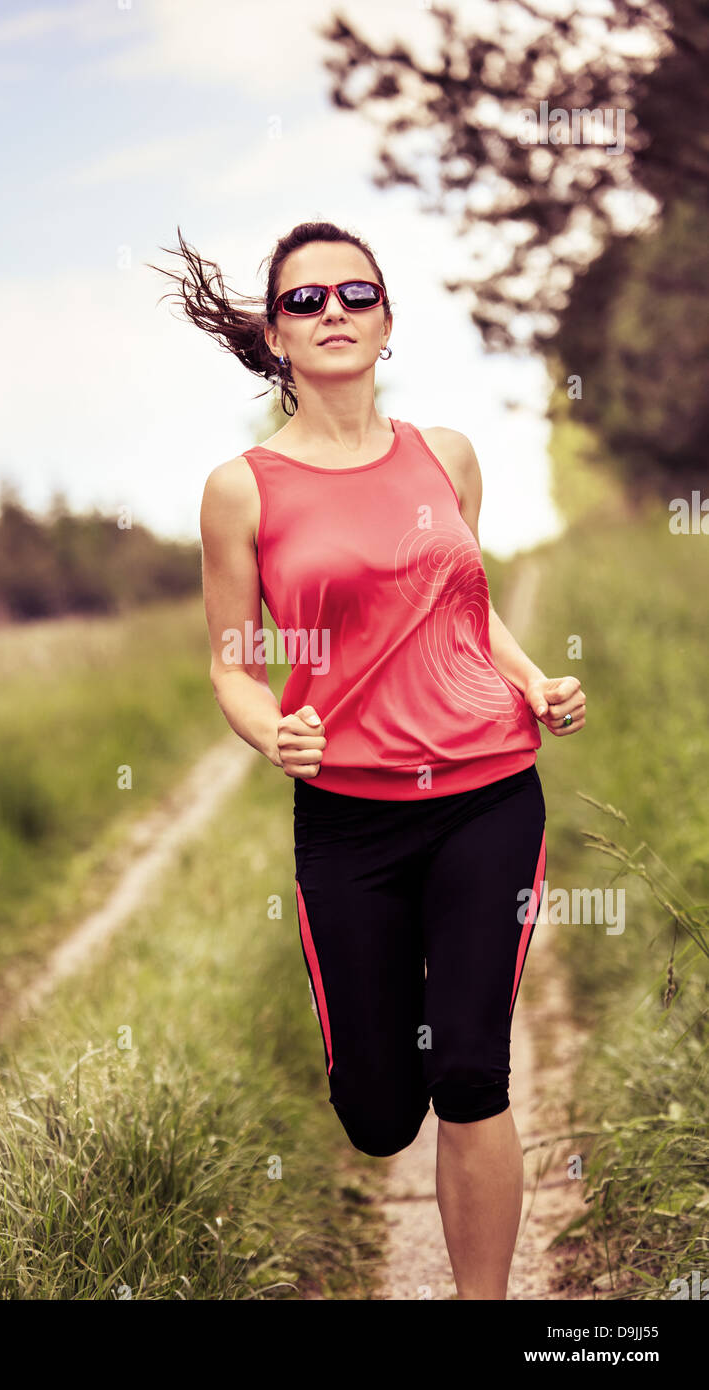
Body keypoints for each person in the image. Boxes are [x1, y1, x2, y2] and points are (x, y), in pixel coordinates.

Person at [152, 220, 586, 1299]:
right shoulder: (240, 489)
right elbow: (230, 666)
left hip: (487, 792)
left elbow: (464, 611)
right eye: (305, 300)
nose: (332, 311)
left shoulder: (445, 456)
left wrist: (530, 682)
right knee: (382, 1110)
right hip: (349, 820)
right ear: (275, 335)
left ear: (386, 321)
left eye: (355, 293)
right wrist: (270, 728)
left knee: (471, 1074)